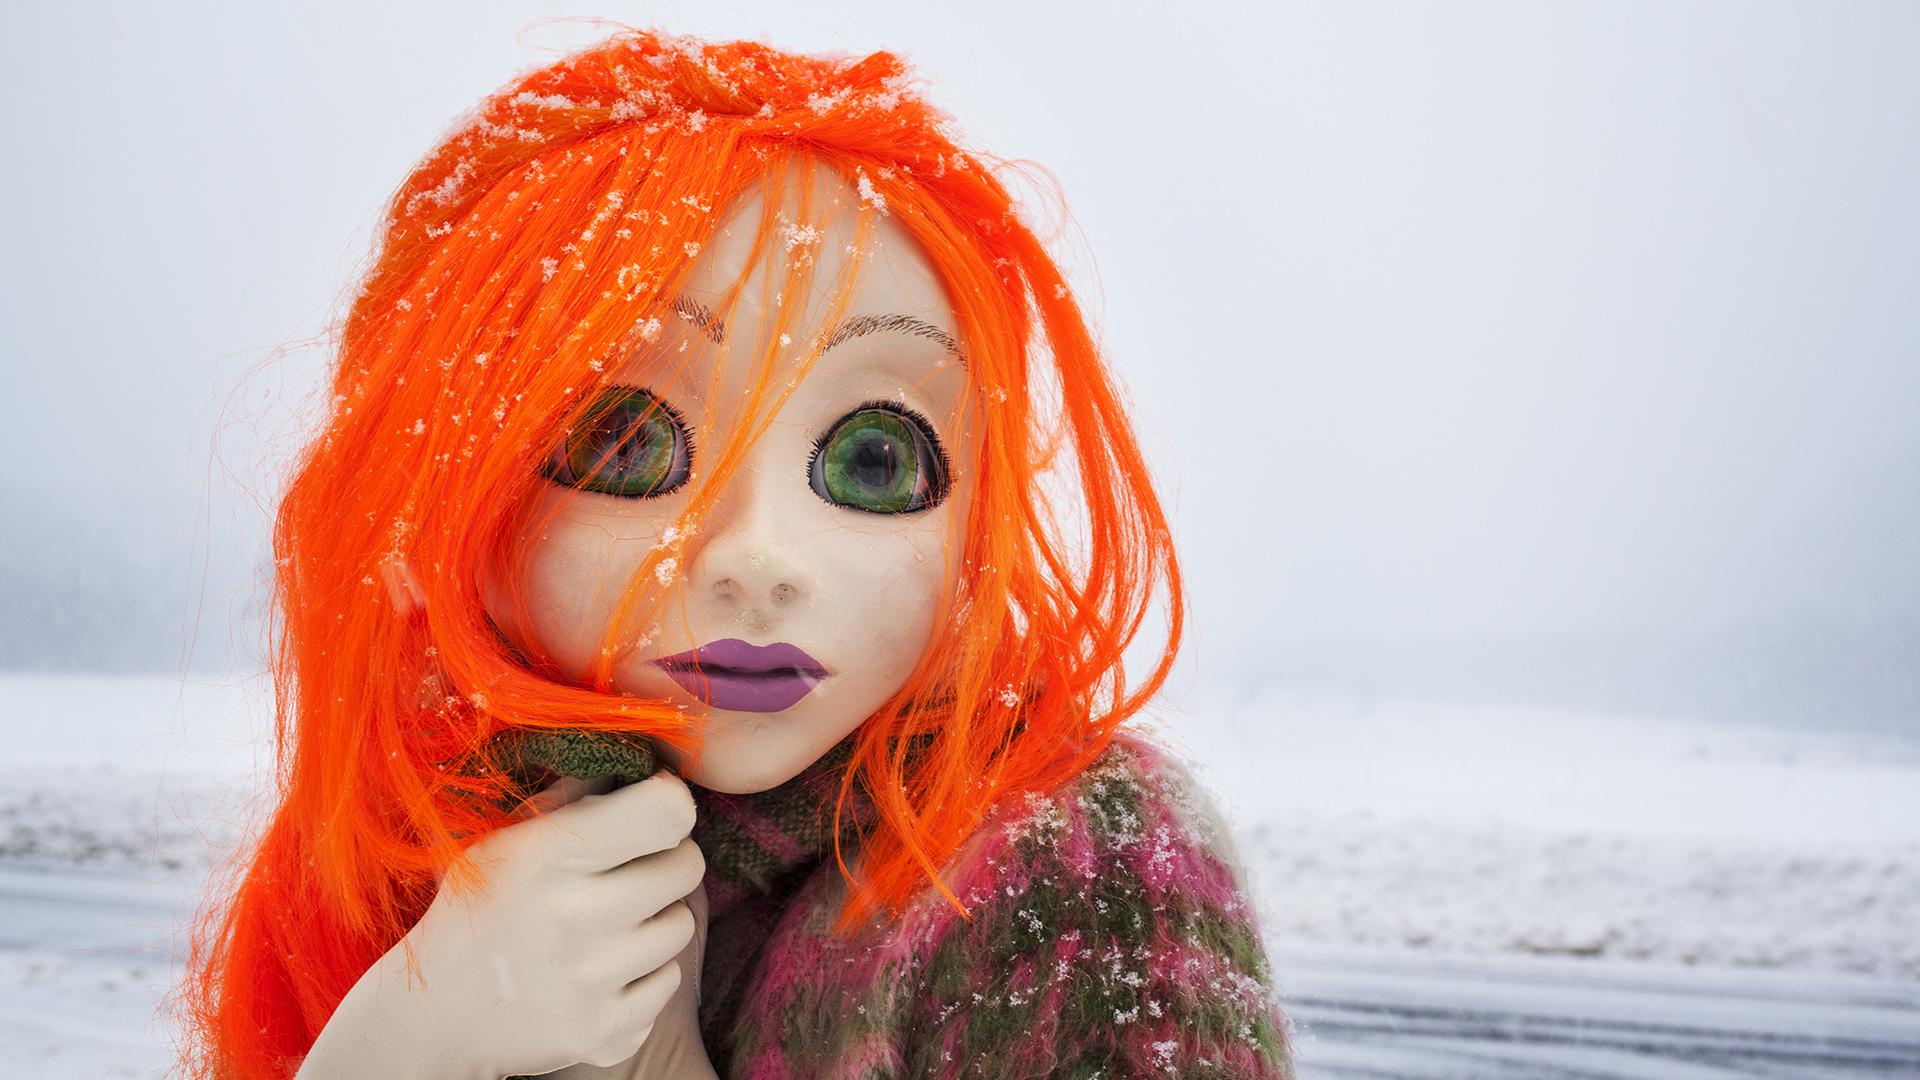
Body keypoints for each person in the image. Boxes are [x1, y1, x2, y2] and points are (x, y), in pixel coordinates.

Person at [177, 25, 1298, 1079]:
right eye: (630, 440)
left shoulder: (1072, 876)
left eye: (874, 458)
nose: (759, 558)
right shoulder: (437, 844)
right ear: (438, 504)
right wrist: (393, 1044)